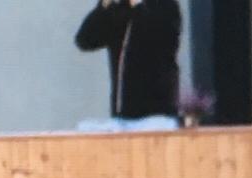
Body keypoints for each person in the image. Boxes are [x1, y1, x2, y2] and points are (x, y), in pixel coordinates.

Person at [74, 0, 182, 132]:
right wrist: (103, 6)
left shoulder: (165, 6)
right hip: (122, 115)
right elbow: (85, 40)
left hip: (157, 115)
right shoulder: (119, 10)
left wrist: (137, 5)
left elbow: (158, 38)